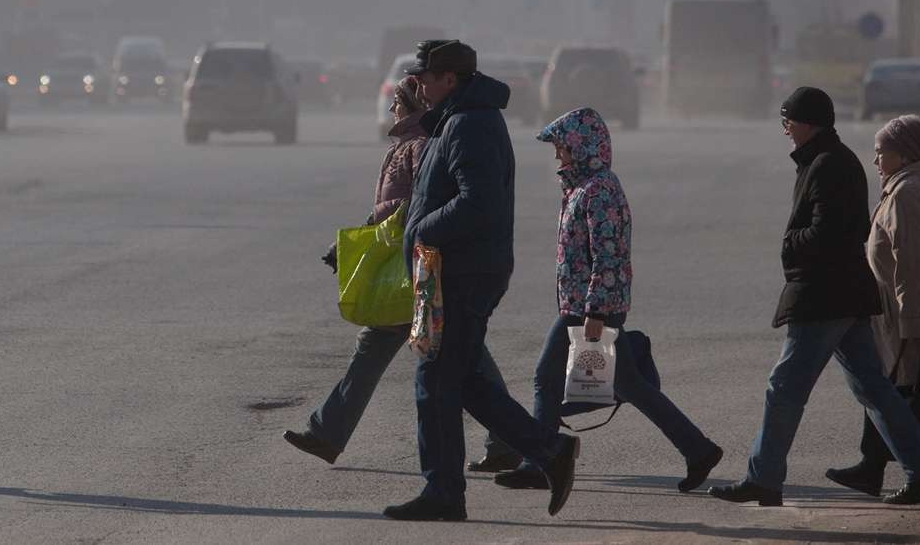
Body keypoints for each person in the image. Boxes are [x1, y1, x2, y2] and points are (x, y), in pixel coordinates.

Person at [710, 87, 920, 506]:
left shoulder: (829, 165)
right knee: (875, 389)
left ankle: (764, 479)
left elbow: (833, 233)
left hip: (826, 296)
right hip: (845, 295)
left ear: (807, 123)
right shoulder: (827, 160)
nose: (785, 129)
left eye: (788, 121)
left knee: (784, 387)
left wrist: (790, 244)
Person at [383, 40, 580, 522]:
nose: (418, 84)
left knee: (435, 379)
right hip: (453, 270)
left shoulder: (470, 124)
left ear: (451, 78)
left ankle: (445, 492)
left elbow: (478, 203)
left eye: (425, 76)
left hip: (463, 273)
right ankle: (547, 449)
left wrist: (422, 229)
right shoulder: (457, 119)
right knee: (462, 379)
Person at [285, 77, 519, 470]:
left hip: (417, 266)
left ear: (409, 106)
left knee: (464, 355)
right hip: (402, 264)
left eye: (397, 102)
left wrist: (397, 236)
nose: (392, 109)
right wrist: (346, 247)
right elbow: (385, 211)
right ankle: (327, 432)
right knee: (443, 353)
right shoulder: (402, 147)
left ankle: (508, 440)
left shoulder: (423, 146)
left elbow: (416, 205)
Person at [495, 107, 722, 493]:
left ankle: (541, 461)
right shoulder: (582, 188)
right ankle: (697, 448)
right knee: (632, 387)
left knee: (545, 378)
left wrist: (596, 311)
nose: (557, 156)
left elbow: (609, 254)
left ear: (581, 148)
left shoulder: (599, 191)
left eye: (562, 147)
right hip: (583, 305)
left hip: (589, 309)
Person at [825, 115, 920, 499]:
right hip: (904, 314)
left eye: (881, 152)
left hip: (911, 317)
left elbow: (915, 263)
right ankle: (873, 465)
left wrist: (915, 323)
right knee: (884, 385)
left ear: (903, 154)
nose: (876, 160)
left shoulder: (909, 193)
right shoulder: (914, 184)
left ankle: (919, 476)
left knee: (905, 392)